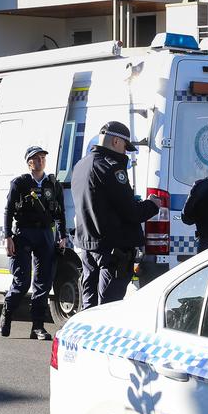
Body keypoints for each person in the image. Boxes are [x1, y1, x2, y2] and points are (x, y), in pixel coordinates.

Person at [71, 121, 162, 308]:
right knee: (108, 307)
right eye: (125, 147)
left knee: (89, 306)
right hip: (113, 251)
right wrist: (152, 205)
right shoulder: (111, 168)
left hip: (88, 246)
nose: (125, 152)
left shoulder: (81, 165)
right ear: (116, 142)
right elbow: (131, 212)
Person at [0, 145, 67, 340]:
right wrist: (8, 237)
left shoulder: (53, 184)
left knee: (43, 281)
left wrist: (62, 236)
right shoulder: (19, 183)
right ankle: (7, 313)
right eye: (36, 158)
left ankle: (37, 326)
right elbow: (8, 210)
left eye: (43, 157)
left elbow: (61, 212)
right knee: (22, 282)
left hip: (45, 234)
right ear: (29, 163)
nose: (40, 161)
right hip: (24, 234)